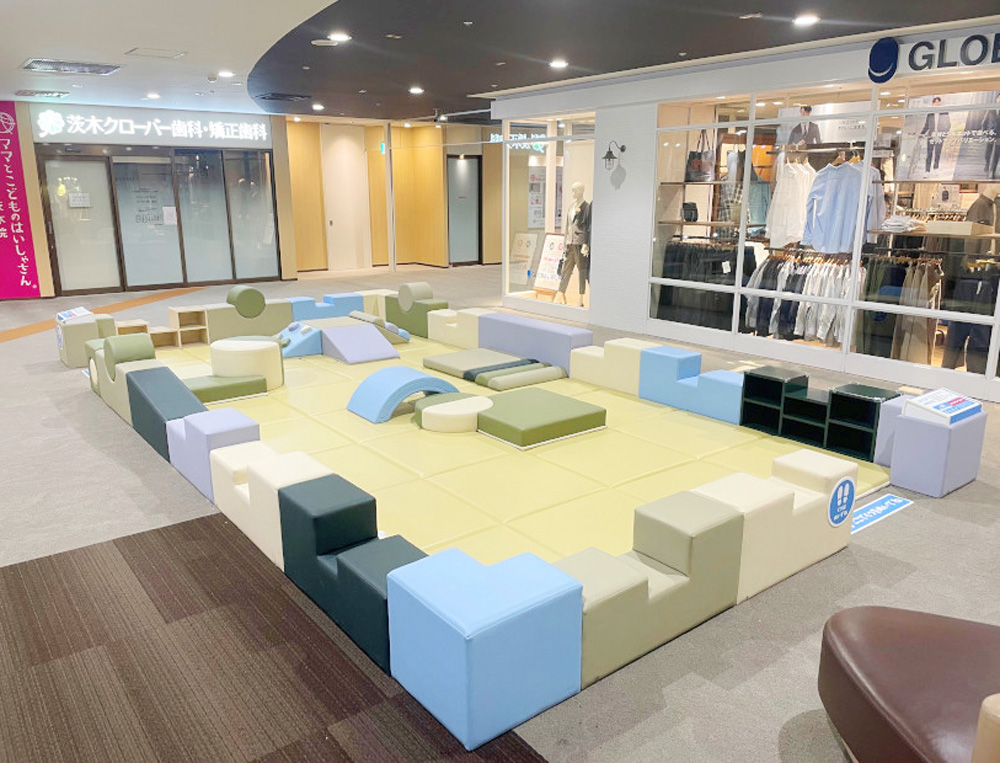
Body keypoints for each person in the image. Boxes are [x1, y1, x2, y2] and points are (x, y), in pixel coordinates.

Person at [556, 182, 591, 306]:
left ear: (581, 191)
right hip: (570, 243)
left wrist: (586, 243)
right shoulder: (571, 206)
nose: (573, 193)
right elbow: (568, 226)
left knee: (582, 271)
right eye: (572, 190)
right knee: (566, 270)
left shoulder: (587, 207)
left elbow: (588, 227)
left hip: (580, 243)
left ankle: (581, 298)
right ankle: (560, 294)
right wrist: (565, 241)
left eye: (575, 190)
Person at [920, 97, 951, 173]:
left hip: (940, 135)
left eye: (938, 102)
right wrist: (922, 133)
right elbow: (927, 125)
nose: (937, 104)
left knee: (937, 152)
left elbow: (948, 125)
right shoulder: (930, 114)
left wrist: (944, 134)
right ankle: (927, 170)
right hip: (931, 136)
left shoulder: (944, 113)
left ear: (940, 103)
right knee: (929, 153)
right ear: (932, 104)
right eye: (935, 102)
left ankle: (936, 168)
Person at [984, 93, 1000, 178]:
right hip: (990, 134)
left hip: (999, 135)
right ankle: (987, 163)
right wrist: (985, 131)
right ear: (996, 99)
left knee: (997, 153)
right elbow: (985, 121)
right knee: (988, 152)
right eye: (999, 98)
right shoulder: (991, 109)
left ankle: (992, 171)